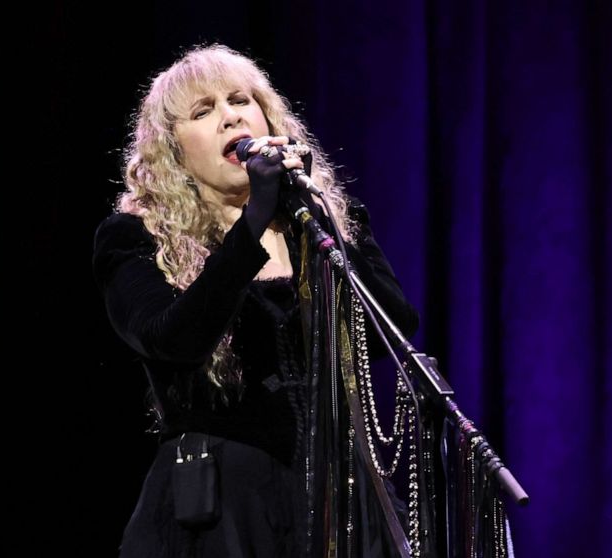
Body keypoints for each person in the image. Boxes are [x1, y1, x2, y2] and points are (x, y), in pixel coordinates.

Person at [92, 43, 421, 557]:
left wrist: (313, 217)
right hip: (220, 507)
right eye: (203, 112)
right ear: (174, 151)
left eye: (241, 100)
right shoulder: (134, 238)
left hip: (338, 498)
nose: (230, 117)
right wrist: (251, 224)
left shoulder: (325, 220)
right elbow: (173, 339)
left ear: (268, 117)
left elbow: (391, 328)